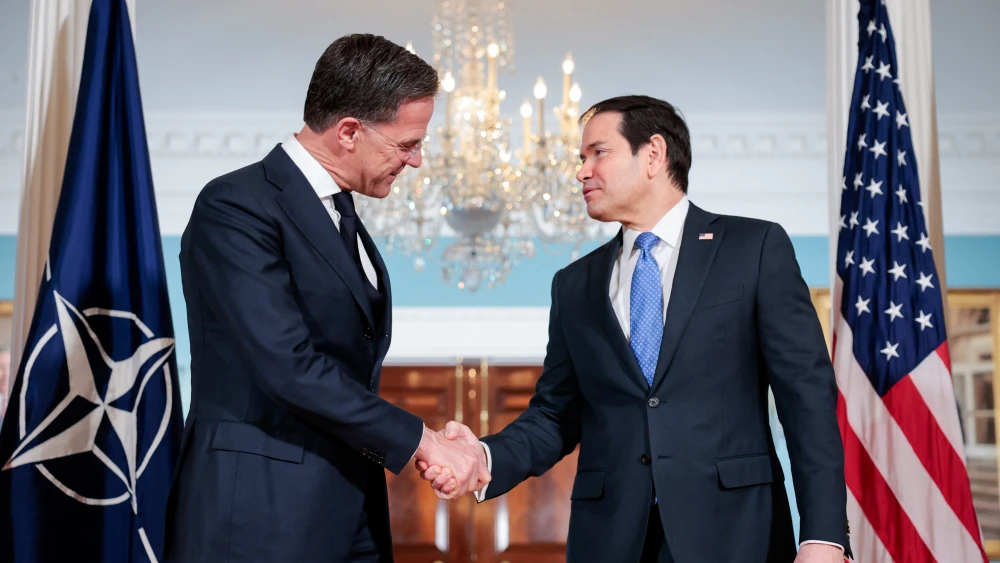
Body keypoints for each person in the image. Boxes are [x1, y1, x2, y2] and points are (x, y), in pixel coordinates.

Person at [420, 95, 852, 562]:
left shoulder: (755, 248)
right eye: (580, 159)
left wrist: (824, 536)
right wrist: (483, 458)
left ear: (653, 155)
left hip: (735, 534)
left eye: (597, 153)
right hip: (609, 541)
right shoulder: (574, 284)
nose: (582, 172)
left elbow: (806, 401)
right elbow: (555, 415)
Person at [165, 34, 488, 563]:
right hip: (258, 513)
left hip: (346, 507)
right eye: (407, 144)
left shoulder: (342, 214)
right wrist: (424, 442)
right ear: (348, 132)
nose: (417, 161)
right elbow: (287, 364)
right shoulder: (237, 206)